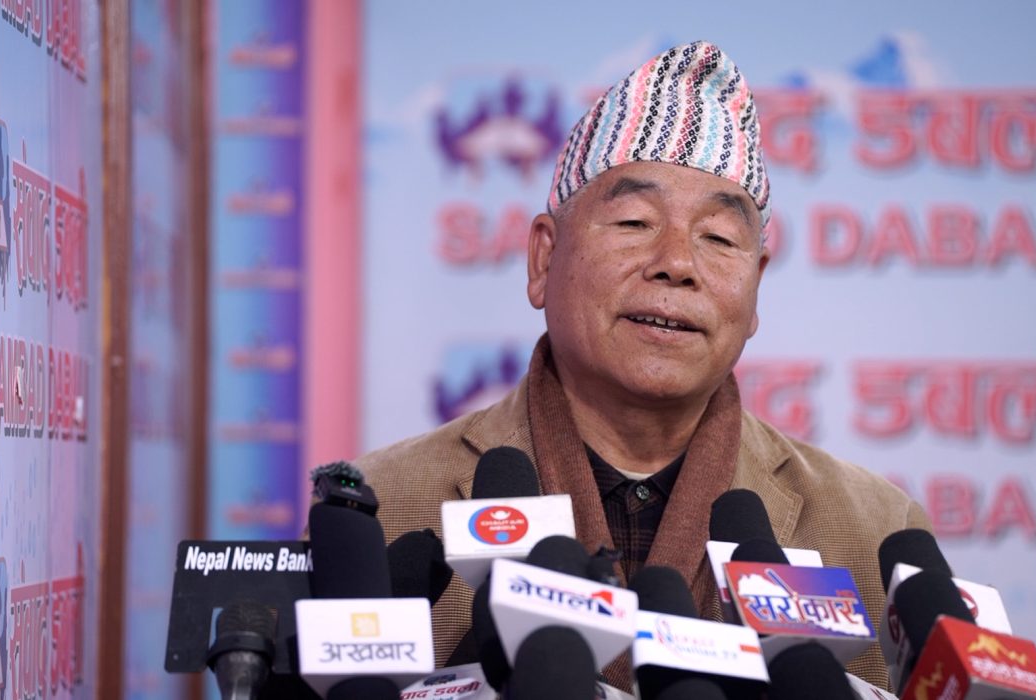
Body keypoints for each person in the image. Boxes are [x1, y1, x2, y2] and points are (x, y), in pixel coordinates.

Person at [355, 40, 932, 692]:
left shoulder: (873, 531)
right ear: (543, 259)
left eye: (718, 238)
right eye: (634, 222)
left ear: (757, 286)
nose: (677, 264)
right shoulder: (383, 510)